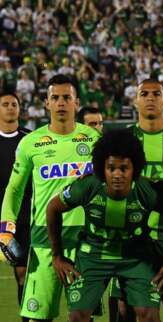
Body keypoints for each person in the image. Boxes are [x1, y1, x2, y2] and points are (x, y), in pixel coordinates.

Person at [46, 129, 163, 322]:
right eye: (111, 168)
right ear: (102, 168)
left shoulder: (147, 191)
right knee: (77, 317)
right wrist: (57, 256)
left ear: (134, 169)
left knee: (149, 315)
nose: (117, 174)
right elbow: (53, 208)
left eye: (124, 168)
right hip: (93, 256)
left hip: (135, 258)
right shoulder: (88, 186)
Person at [0, 74, 100, 321]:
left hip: (84, 239)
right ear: (47, 103)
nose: (61, 103)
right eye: (55, 97)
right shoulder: (30, 143)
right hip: (44, 238)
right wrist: (5, 229)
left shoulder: (94, 139)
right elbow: (14, 189)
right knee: (36, 317)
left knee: (81, 316)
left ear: (76, 103)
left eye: (67, 97)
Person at [110, 78, 163, 322]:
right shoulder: (122, 140)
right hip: (131, 242)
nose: (150, 98)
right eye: (144, 93)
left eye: (156, 94)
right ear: (135, 100)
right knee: (125, 310)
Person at [0, 92, 31, 322]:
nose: (10, 108)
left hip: (25, 217)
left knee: (23, 274)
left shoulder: (30, 140)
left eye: (14, 104)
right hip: (1, 218)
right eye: (5, 104)